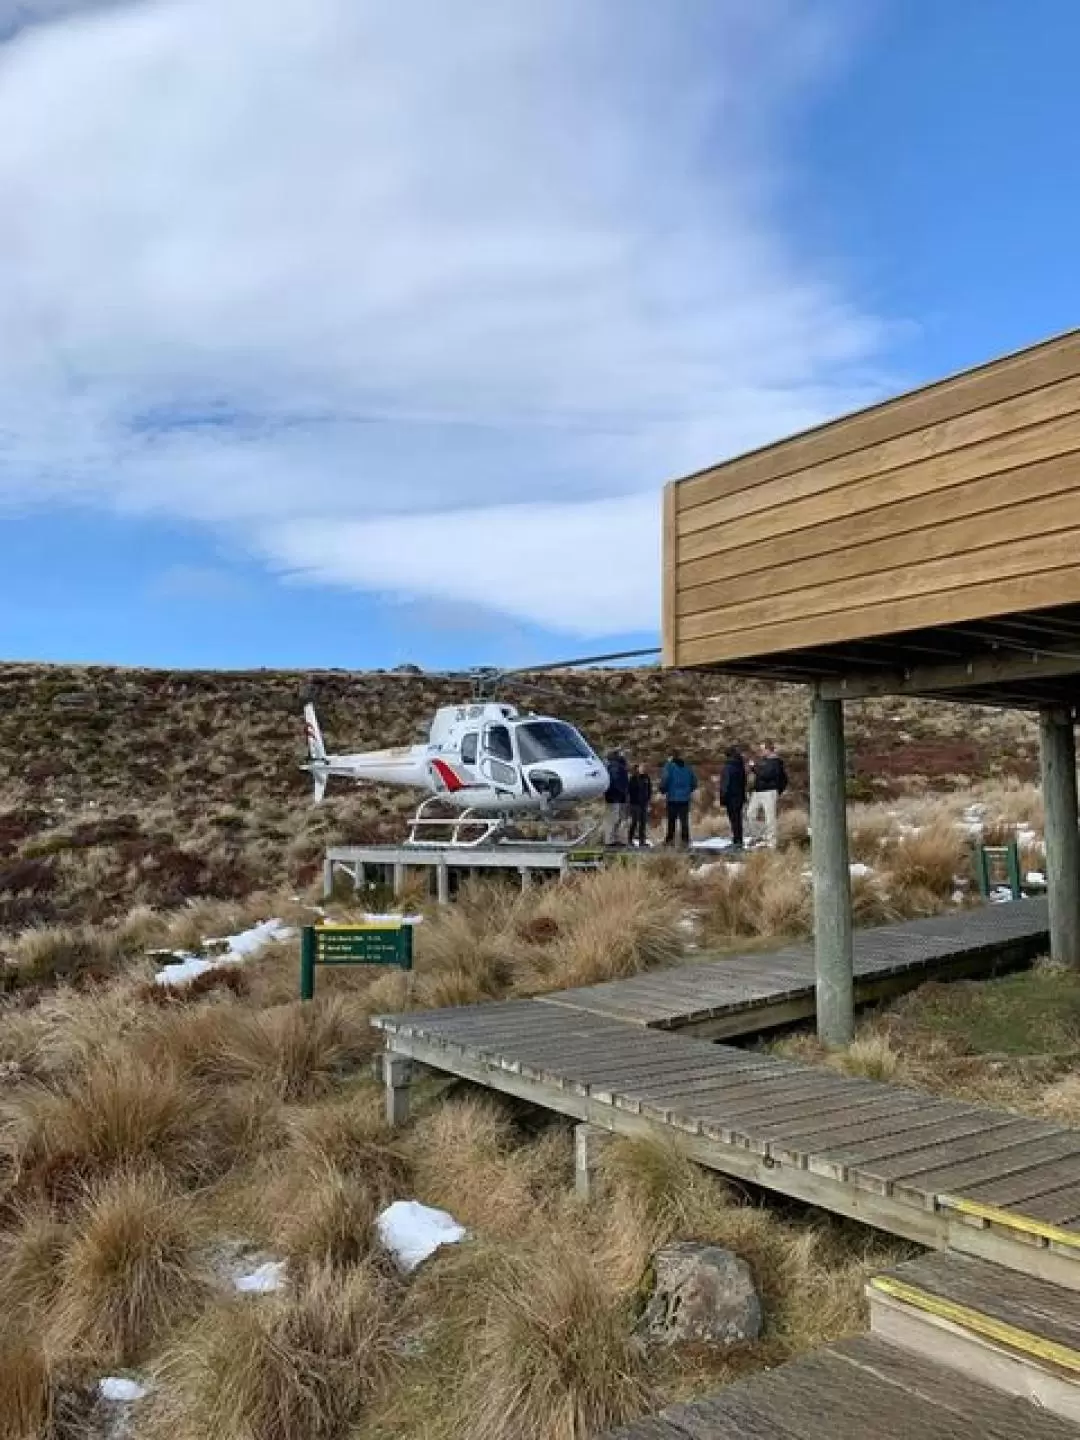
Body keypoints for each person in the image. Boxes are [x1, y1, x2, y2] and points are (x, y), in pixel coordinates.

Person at [747, 740, 788, 849]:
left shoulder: (776, 762)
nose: (761, 751)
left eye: (763, 749)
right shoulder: (763, 761)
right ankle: (758, 837)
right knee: (750, 814)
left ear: (769, 750)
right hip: (757, 792)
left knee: (770, 817)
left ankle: (771, 842)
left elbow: (766, 775)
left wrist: (754, 767)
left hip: (769, 792)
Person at [660, 752, 698, 847]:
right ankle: (685, 841)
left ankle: (670, 840)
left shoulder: (669, 767)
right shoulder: (688, 768)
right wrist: (688, 791)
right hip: (685, 798)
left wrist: (663, 789)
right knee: (684, 821)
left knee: (671, 821)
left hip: (672, 798)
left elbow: (665, 779)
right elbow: (694, 782)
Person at [719, 745, 747, 850]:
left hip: (731, 797)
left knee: (734, 820)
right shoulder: (740, 766)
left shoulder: (728, 767)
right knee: (738, 819)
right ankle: (739, 840)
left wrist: (723, 797)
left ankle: (737, 841)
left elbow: (725, 784)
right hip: (739, 796)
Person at [603, 748, 630, 846]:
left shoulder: (621, 766)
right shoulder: (615, 767)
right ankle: (610, 840)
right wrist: (623, 791)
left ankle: (616, 839)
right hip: (615, 796)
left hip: (619, 796)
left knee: (619, 818)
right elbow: (615, 782)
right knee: (613, 818)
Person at [626, 763, 652, 847]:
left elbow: (649, 789)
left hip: (644, 803)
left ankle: (642, 841)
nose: (641, 770)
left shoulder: (646, 778)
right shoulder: (633, 779)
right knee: (634, 822)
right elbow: (629, 791)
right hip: (635, 804)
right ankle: (630, 840)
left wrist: (648, 799)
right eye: (640, 769)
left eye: (642, 768)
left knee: (643, 823)